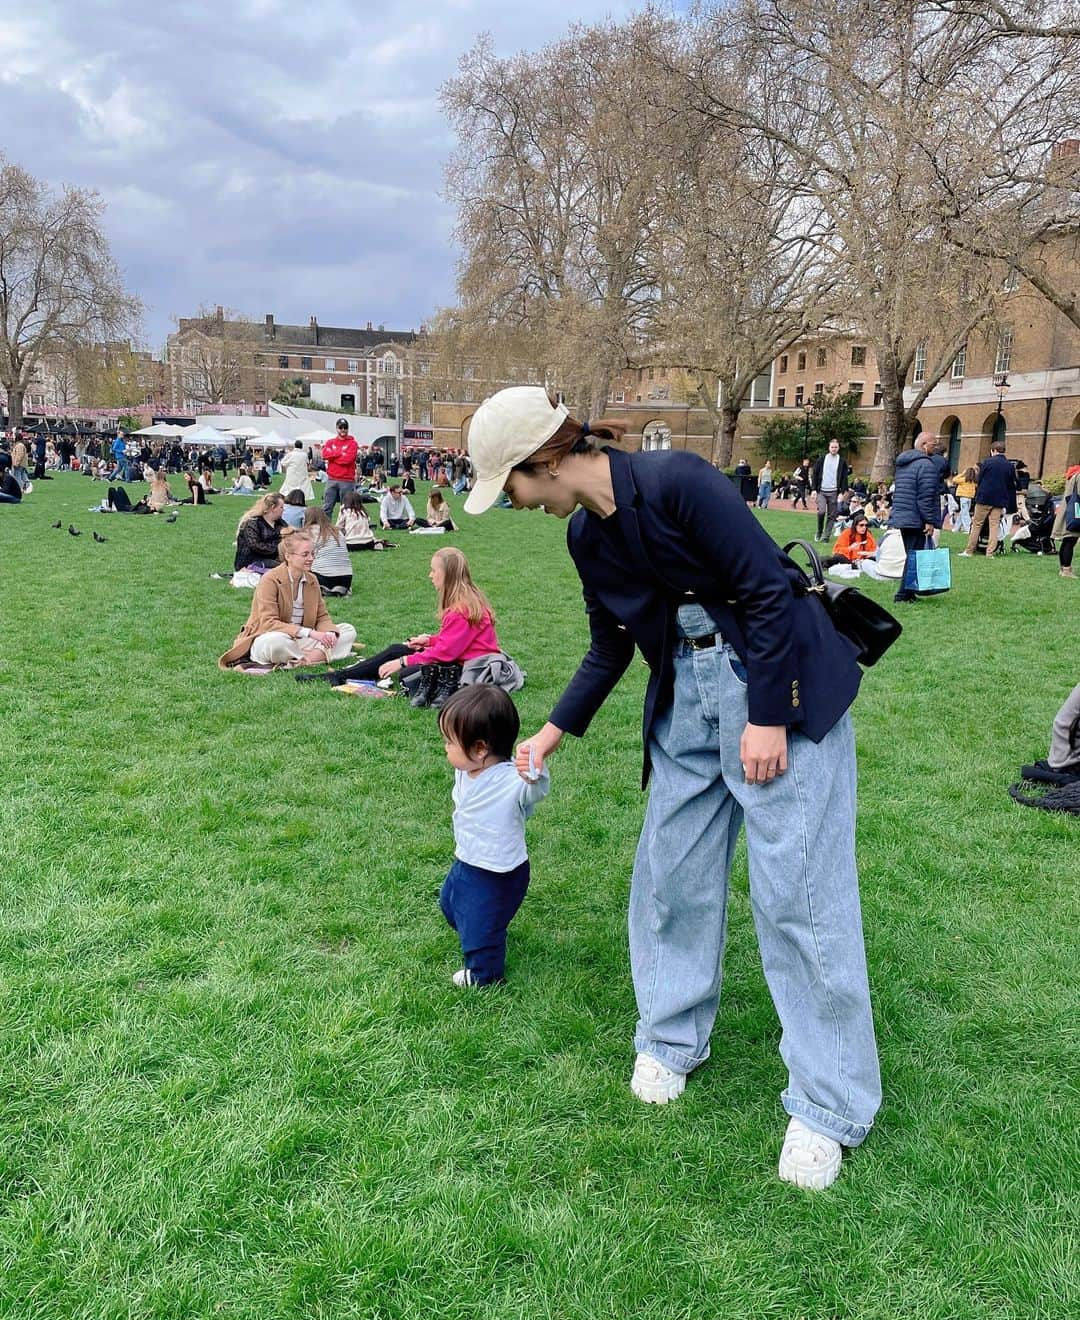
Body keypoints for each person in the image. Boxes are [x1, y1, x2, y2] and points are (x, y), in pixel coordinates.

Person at [462, 386, 879, 1190]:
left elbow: (764, 588)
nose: (511, 504)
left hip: (776, 687)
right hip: (683, 705)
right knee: (670, 875)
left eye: (507, 486)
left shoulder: (680, 480)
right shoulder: (586, 536)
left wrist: (764, 716)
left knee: (799, 894)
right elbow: (608, 647)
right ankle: (670, 1035)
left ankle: (829, 1104)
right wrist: (549, 733)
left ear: (542, 462)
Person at [435, 685, 550, 987]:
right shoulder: (467, 769)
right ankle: (486, 925)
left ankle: (484, 975)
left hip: (498, 872)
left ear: (480, 749)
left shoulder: (513, 781)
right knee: (449, 904)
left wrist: (534, 773)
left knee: (480, 928)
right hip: (467, 859)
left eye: (450, 742)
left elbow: (534, 791)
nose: (445, 747)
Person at [297, 547, 501, 709]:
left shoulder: (460, 609)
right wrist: (428, 641)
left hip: (466, 667)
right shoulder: (468, 601)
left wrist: (403, 662)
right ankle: (340, 675)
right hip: (467, 659)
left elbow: (447, 653)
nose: (430, 575)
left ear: (447, 574)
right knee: (398, 650)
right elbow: (458, 642)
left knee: (405, 669)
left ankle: (340, 676)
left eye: (433, 570)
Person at [219, 530, 357, 671]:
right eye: (305, 554)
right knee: (276, 642)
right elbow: (269, 623)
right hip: (270, 637)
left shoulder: (312, 580)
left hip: (300, 641)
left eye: (312, 553)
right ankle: (318, 655)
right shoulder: (270, 580)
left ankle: (306, 660)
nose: (310, 558)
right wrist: (311, 633)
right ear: (288, 556)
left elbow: (322, 617)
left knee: (347, 630)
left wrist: (330, 633)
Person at [888, 432, 941, 602]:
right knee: (914, 556)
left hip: (903, 515)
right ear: (924, 444)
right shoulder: (926, 466)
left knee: (913, 555)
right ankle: (902, 594)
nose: (936, 446)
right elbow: (926, 496)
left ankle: (909, 592)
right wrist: (929, 520)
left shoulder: (904, 464)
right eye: (934, 444)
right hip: (915, 517)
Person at [960, 443, 1017, 558]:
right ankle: (990, 553)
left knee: (977, 524)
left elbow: (979, 479)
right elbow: (1012, 483)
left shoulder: (987, 462)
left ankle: (969, 550)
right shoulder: (1009, 465)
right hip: (999, 499)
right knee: (994, 525)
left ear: (993, 450)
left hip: (984, 498)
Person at [303, 506, 354, 596]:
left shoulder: (308, 532)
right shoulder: (337, 531)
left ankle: (322, 587)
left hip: (324, 576)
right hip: (346, 577)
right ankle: (340, 588)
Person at [233, 493, 285, 572]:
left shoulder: (280, 523)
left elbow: (290, 535)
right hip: (251, 561)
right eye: (281, 507)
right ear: (273, 508)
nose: (283, 510)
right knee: (284, 568)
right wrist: (278, 548)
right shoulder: (252, 523)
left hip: (273, 558)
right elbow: (256, 546)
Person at [811, 439, 851, 541]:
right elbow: (815, 474)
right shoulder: (822, 459)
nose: (834, 449)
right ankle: (819, 531)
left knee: (831, 515)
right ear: (829, 448)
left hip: (834, 491)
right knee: (821, 512)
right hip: (822, 491)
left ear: (838, 448)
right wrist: (814, 489)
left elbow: (844, 477)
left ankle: (826, 536)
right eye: (832, 447)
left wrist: (842, 492)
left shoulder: (842, 461)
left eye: (836, 447)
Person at [321, 418, 359, 516]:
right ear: (337, 428)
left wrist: (333, 457)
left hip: (347, 480)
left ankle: (345, 529)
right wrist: (340, 453)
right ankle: (326, 530)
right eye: (340, 427)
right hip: (331, 479)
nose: (343, 429)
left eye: (345, 427)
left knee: (347, 509)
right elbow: (324, 455)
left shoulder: (353, 443)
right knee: (326, 507)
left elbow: (348, 460)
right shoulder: (330, 442)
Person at [1054, 466, 1080, 579]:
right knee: (1070, 541)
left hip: (1068, 510)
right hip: (1075, 512)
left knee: (1067, 541)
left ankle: (1063, 568)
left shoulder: (1073, 474)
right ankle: (1066, 570)